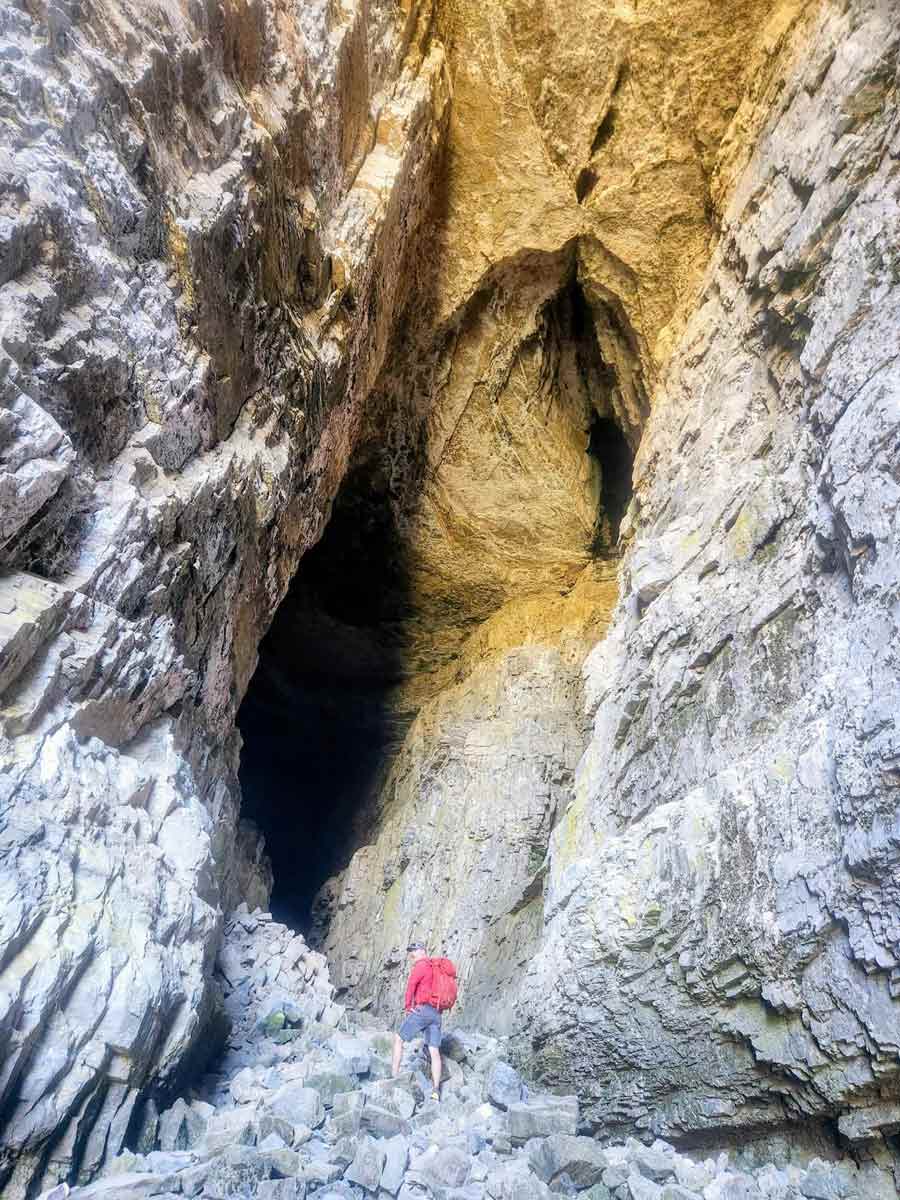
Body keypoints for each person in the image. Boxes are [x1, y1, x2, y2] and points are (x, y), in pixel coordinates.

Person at [391, 942, 442, 1101]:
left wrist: (408, 1007)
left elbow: (411, 986)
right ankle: (435, 1091)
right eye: (410, 951)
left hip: (423, 1010)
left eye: (413, 951)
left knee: (399, 1039)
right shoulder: (436, 968)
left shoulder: (421, 966)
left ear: (422, 951)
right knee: (434, 1051)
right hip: (437, 1013)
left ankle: (394, 1077)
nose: (411, 954)